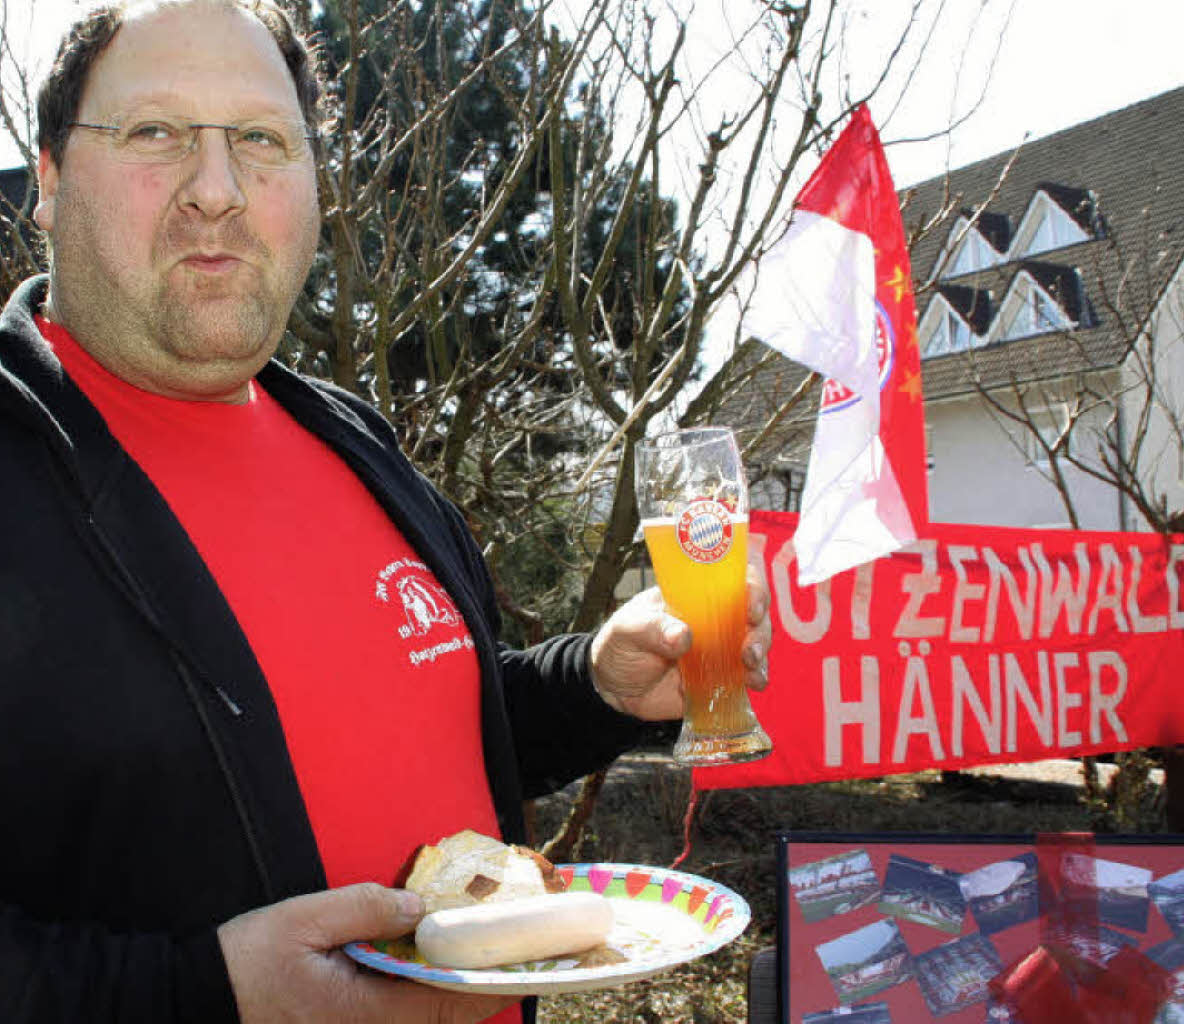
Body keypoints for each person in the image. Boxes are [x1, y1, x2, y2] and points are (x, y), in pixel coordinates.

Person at [0, 0, 771, 1021]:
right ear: (49, 179)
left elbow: (433, 720)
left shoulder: (353, 441)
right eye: (157, 134)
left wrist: (595, 685)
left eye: (263, 142)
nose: (217, 191)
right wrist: (209, 995)